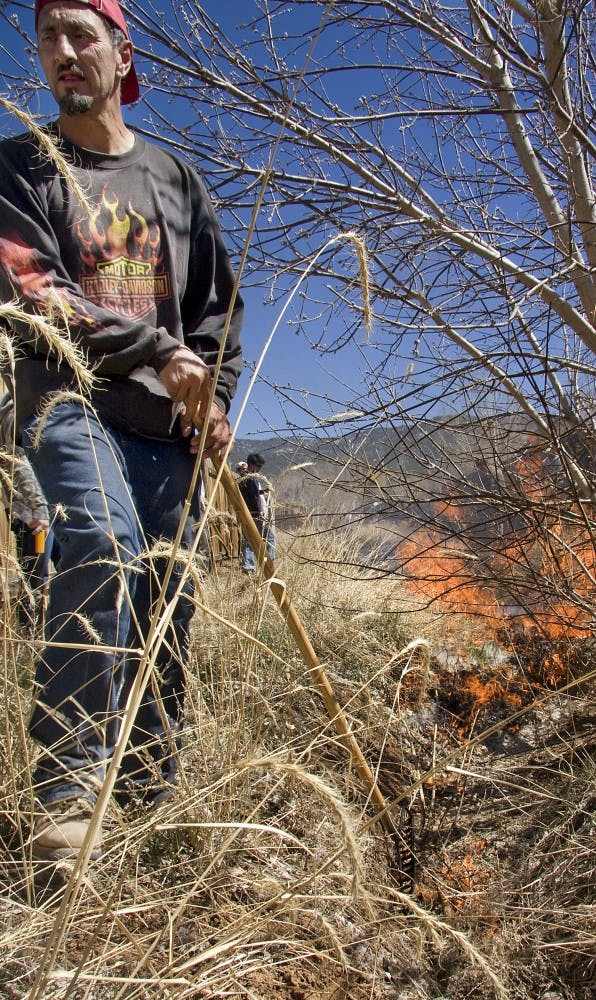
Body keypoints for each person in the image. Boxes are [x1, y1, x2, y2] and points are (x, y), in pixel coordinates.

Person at [0, 0, 243, 861]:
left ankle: (145, 795)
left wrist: (211, 396)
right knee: (102, 545)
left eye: (81, 35)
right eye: (48, 39)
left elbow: (217, 308)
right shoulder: (19, 167)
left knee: (164, 598)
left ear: (120, 49)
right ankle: (69, 792)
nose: (63, 54)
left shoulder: (174, 182)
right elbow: (34, 292)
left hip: (165, 429)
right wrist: (157, 348)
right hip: (70, 405)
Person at [0, 391, 54, 632]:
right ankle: (31, 636)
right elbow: (20, 466)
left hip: (38, 513)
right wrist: (40, 510)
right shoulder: (15, 413)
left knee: (47, 572)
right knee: (36, 577)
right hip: (34, 519)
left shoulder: (15, 406)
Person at [237, 453, 275, 573]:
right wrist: (260, 513)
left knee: (248, 540)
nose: (259, 470)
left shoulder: (244, 479)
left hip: (247, 513)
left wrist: (263, 491)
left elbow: (253, 493)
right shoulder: (249, 478)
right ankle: (269, 563)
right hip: (255, 514)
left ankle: (248, 566)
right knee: (270, 538)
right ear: (252, 465)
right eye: (258, 467)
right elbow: (253, 497)